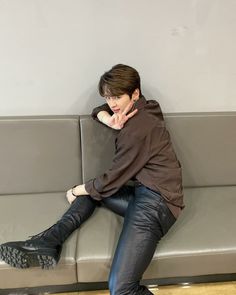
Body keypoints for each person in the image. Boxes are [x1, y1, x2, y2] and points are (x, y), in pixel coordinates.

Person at [0, 64, 184, 295]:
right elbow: (98, 109)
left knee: (121, 289)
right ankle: (48, 242)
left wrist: (78, 190)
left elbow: (113, 179)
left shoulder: (138, 129)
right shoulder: (147, 107)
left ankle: (47, 241)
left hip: (158, 204)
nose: (112, 104)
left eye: (117, 97)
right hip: (144, 193)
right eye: (108, 97)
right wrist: (109, 119)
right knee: (91, 190)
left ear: (135, 93)